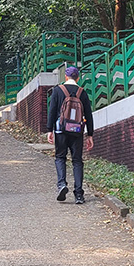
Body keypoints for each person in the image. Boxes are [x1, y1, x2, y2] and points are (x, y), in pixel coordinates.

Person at [46, 65, 94, 203]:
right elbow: (88, 115)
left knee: (60, 157)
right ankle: (79, 194)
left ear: (66, 77)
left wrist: (50, 130)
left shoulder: (57, 91)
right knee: (77, 161)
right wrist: (90, 134)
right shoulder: (82, 92)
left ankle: (62, 184)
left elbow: (52, 111)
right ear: (77, 78)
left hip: (60, 130)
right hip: (77, 132)